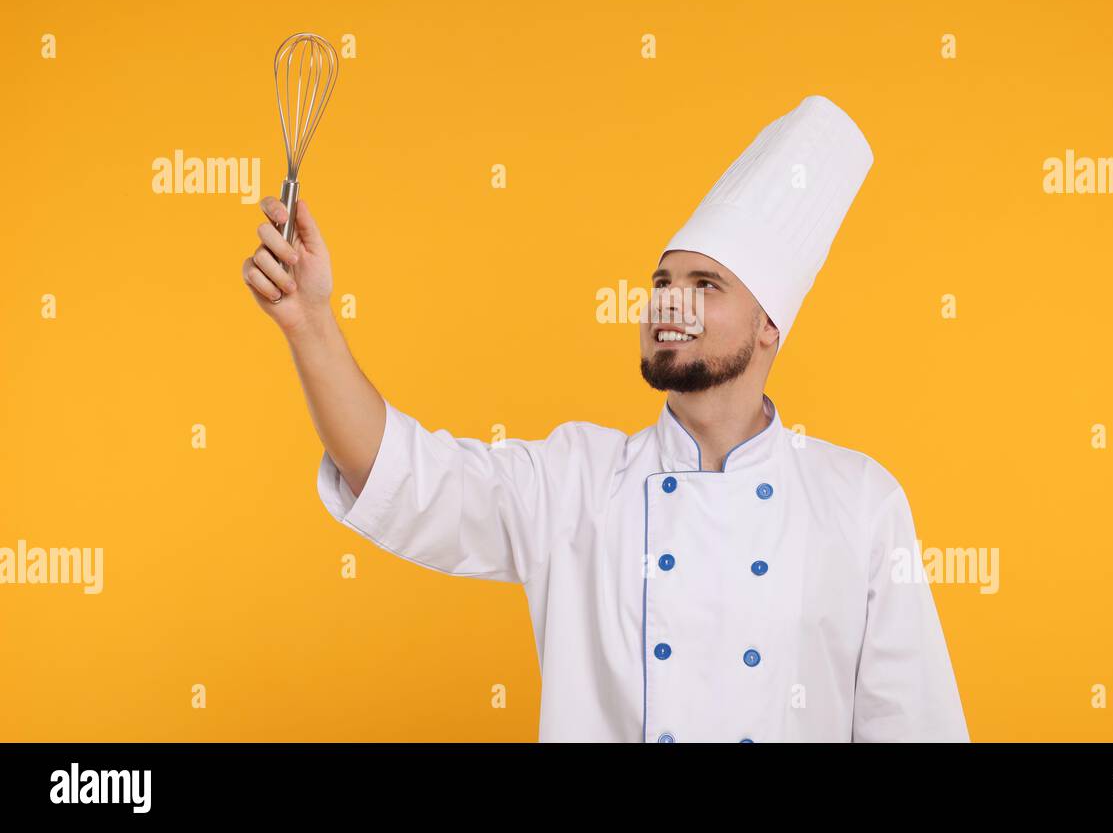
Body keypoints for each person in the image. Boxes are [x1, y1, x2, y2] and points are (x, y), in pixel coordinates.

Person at [241, 94, 970, 742]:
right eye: (661, 282)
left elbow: (914, 726)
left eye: (705, 284)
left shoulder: (860, 502)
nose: (667, 303)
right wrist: (310, 322)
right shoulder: (577, 482)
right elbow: (398, 472)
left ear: (770, 324)